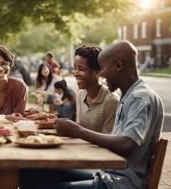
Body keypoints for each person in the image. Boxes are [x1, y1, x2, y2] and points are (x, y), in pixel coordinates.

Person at [20, 40, 164, 189]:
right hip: (108, 174)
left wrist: (78, 131)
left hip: (120, 182)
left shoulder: (139, 97)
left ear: (119, 66)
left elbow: (127, 144)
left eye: (102, 68)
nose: (101, 74)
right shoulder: (130, 95)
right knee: (32, 171)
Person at [74, 44, 119, 133]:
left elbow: (109, 140)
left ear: (98, 71)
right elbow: (78, 127)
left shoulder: (112, 101)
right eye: (74, 68)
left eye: (81, 69)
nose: (75, 73)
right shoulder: (80, 94)